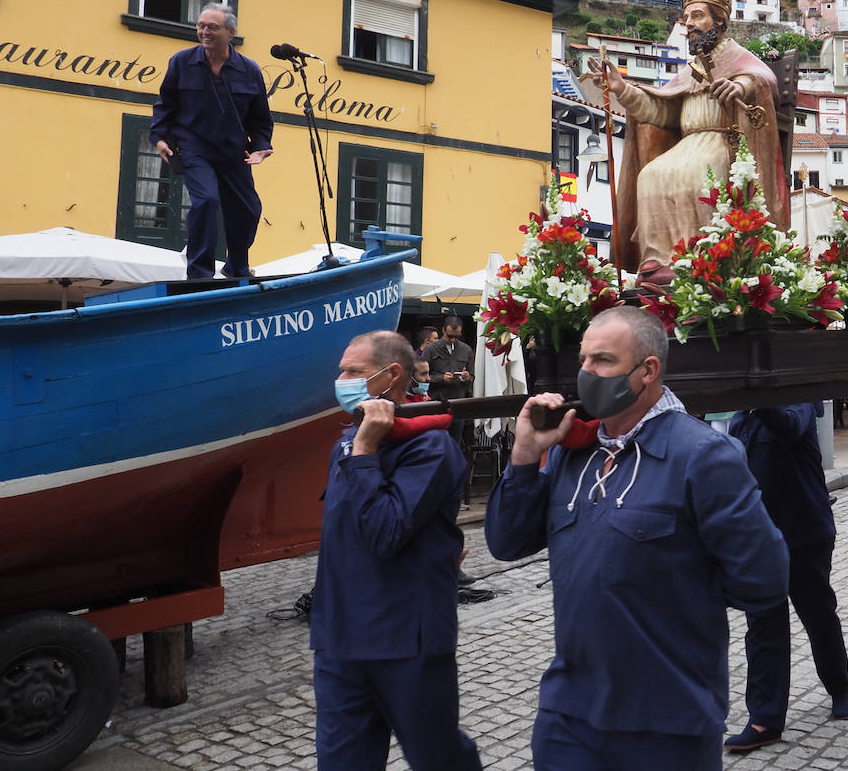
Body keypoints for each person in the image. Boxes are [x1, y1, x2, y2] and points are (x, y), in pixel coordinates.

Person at [484, 306, 788, 771]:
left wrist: (683, 587)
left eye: (602, 361)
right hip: (570, 713)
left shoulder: (703, 455)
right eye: (583, 360)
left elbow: (763, 580)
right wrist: (525, 454)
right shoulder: (573, 452)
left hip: (667, 718)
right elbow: (506, 543)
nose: (586, 373)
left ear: (648, 370)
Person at [309, 330, 480, 771]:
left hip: (406, 641)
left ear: (391, 376)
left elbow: (385, 532)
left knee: (438, 757)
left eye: (354, 372)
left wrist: (365, 452)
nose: (341, 379)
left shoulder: (430, 447)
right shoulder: (346, 441)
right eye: (341, 369)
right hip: (341, 640)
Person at [588, 0, 787, 288]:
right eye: (687, 17)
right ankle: (658, 263)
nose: (689, 24)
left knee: (697, 175)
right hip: (687, 144)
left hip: (725, 144)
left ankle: (708, 258)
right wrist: (621, 87)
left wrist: (739, 86)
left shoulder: (738, 59)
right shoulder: (689, 70)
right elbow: (661, 111)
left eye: (698, 16)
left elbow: (763, 81)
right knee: (651, 174)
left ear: (719, 20)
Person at [724, 403, 848, 751]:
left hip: (805, 533)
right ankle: (765, 719)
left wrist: (760, 393)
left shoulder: (800, 405)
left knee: (818, 615)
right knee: (764, 626)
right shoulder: (740, 418)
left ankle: (839, 685)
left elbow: (788, 427)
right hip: (760, 538)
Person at [148, 2, 273, 280]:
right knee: (205, 201)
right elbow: (165, 105)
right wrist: (159, 138)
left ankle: (236, 266)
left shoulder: (249, 70)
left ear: (231, 32)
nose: (204, 31)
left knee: (249, 210)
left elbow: (260, 118)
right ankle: (200, 274)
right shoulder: (181, 62)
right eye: (201, 26)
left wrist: (261, 148)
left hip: (234, 153)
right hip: (194, 149)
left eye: (212, 27)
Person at [425, 317, 476, 501]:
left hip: (458, 405)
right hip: (437, 404)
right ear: (443, 331)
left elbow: (472, 376)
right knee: (437, 447)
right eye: (450, 336)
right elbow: (422, 376)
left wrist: (465, 377)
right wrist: (440, 379)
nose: (453, 340)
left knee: (455, 447)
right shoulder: (431, 349)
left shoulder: (466, 349)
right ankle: (437, 491)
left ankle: (453, 493)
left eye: (457, 336)